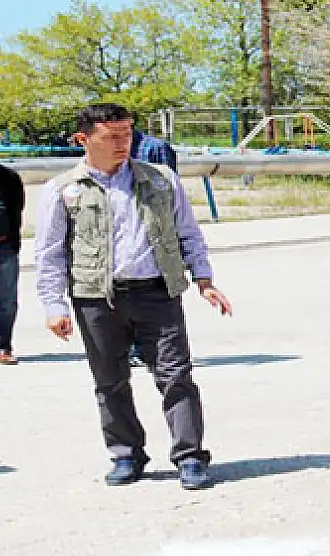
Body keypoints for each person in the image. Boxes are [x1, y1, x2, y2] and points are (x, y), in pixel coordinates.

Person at [34, 103, 232, 490]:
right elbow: (50, 253)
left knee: (177, 377)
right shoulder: (63, 190)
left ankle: (190, 457)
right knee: (110, 381)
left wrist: (204, 279)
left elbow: (188, 233)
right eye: (112, 136)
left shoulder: (160, 180)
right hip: (95, 298)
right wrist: (54, 305)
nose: (123, 143)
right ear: (83, 139)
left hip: (157, 293)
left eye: (127, 133)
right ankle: (126, 454)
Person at [127, 127, 179, 367]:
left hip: (153, 224)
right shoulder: (103, 145)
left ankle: (147, 349)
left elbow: (169, 184)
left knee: (151, 288)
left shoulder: (155, 148)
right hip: (122, 222)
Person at [0, 163, 25, 365]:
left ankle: (3, 346)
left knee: (7, 301)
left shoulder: (10, 178)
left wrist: (14, 242)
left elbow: (17, 211)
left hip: (5, 247)